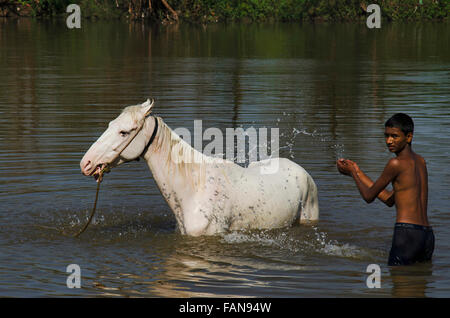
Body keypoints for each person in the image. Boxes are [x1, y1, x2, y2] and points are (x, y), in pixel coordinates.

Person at [336, 113, 434, 266]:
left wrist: (352, 174)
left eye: (394, 136)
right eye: (386, 136)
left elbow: (368, 197)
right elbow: (390, 199)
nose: (389, 141)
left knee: (399, 285)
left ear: (409, 137)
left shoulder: (395, 163)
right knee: (417, 285)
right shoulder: (420, 162)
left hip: (406, 234)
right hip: (426, 235)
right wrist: (359, 172)